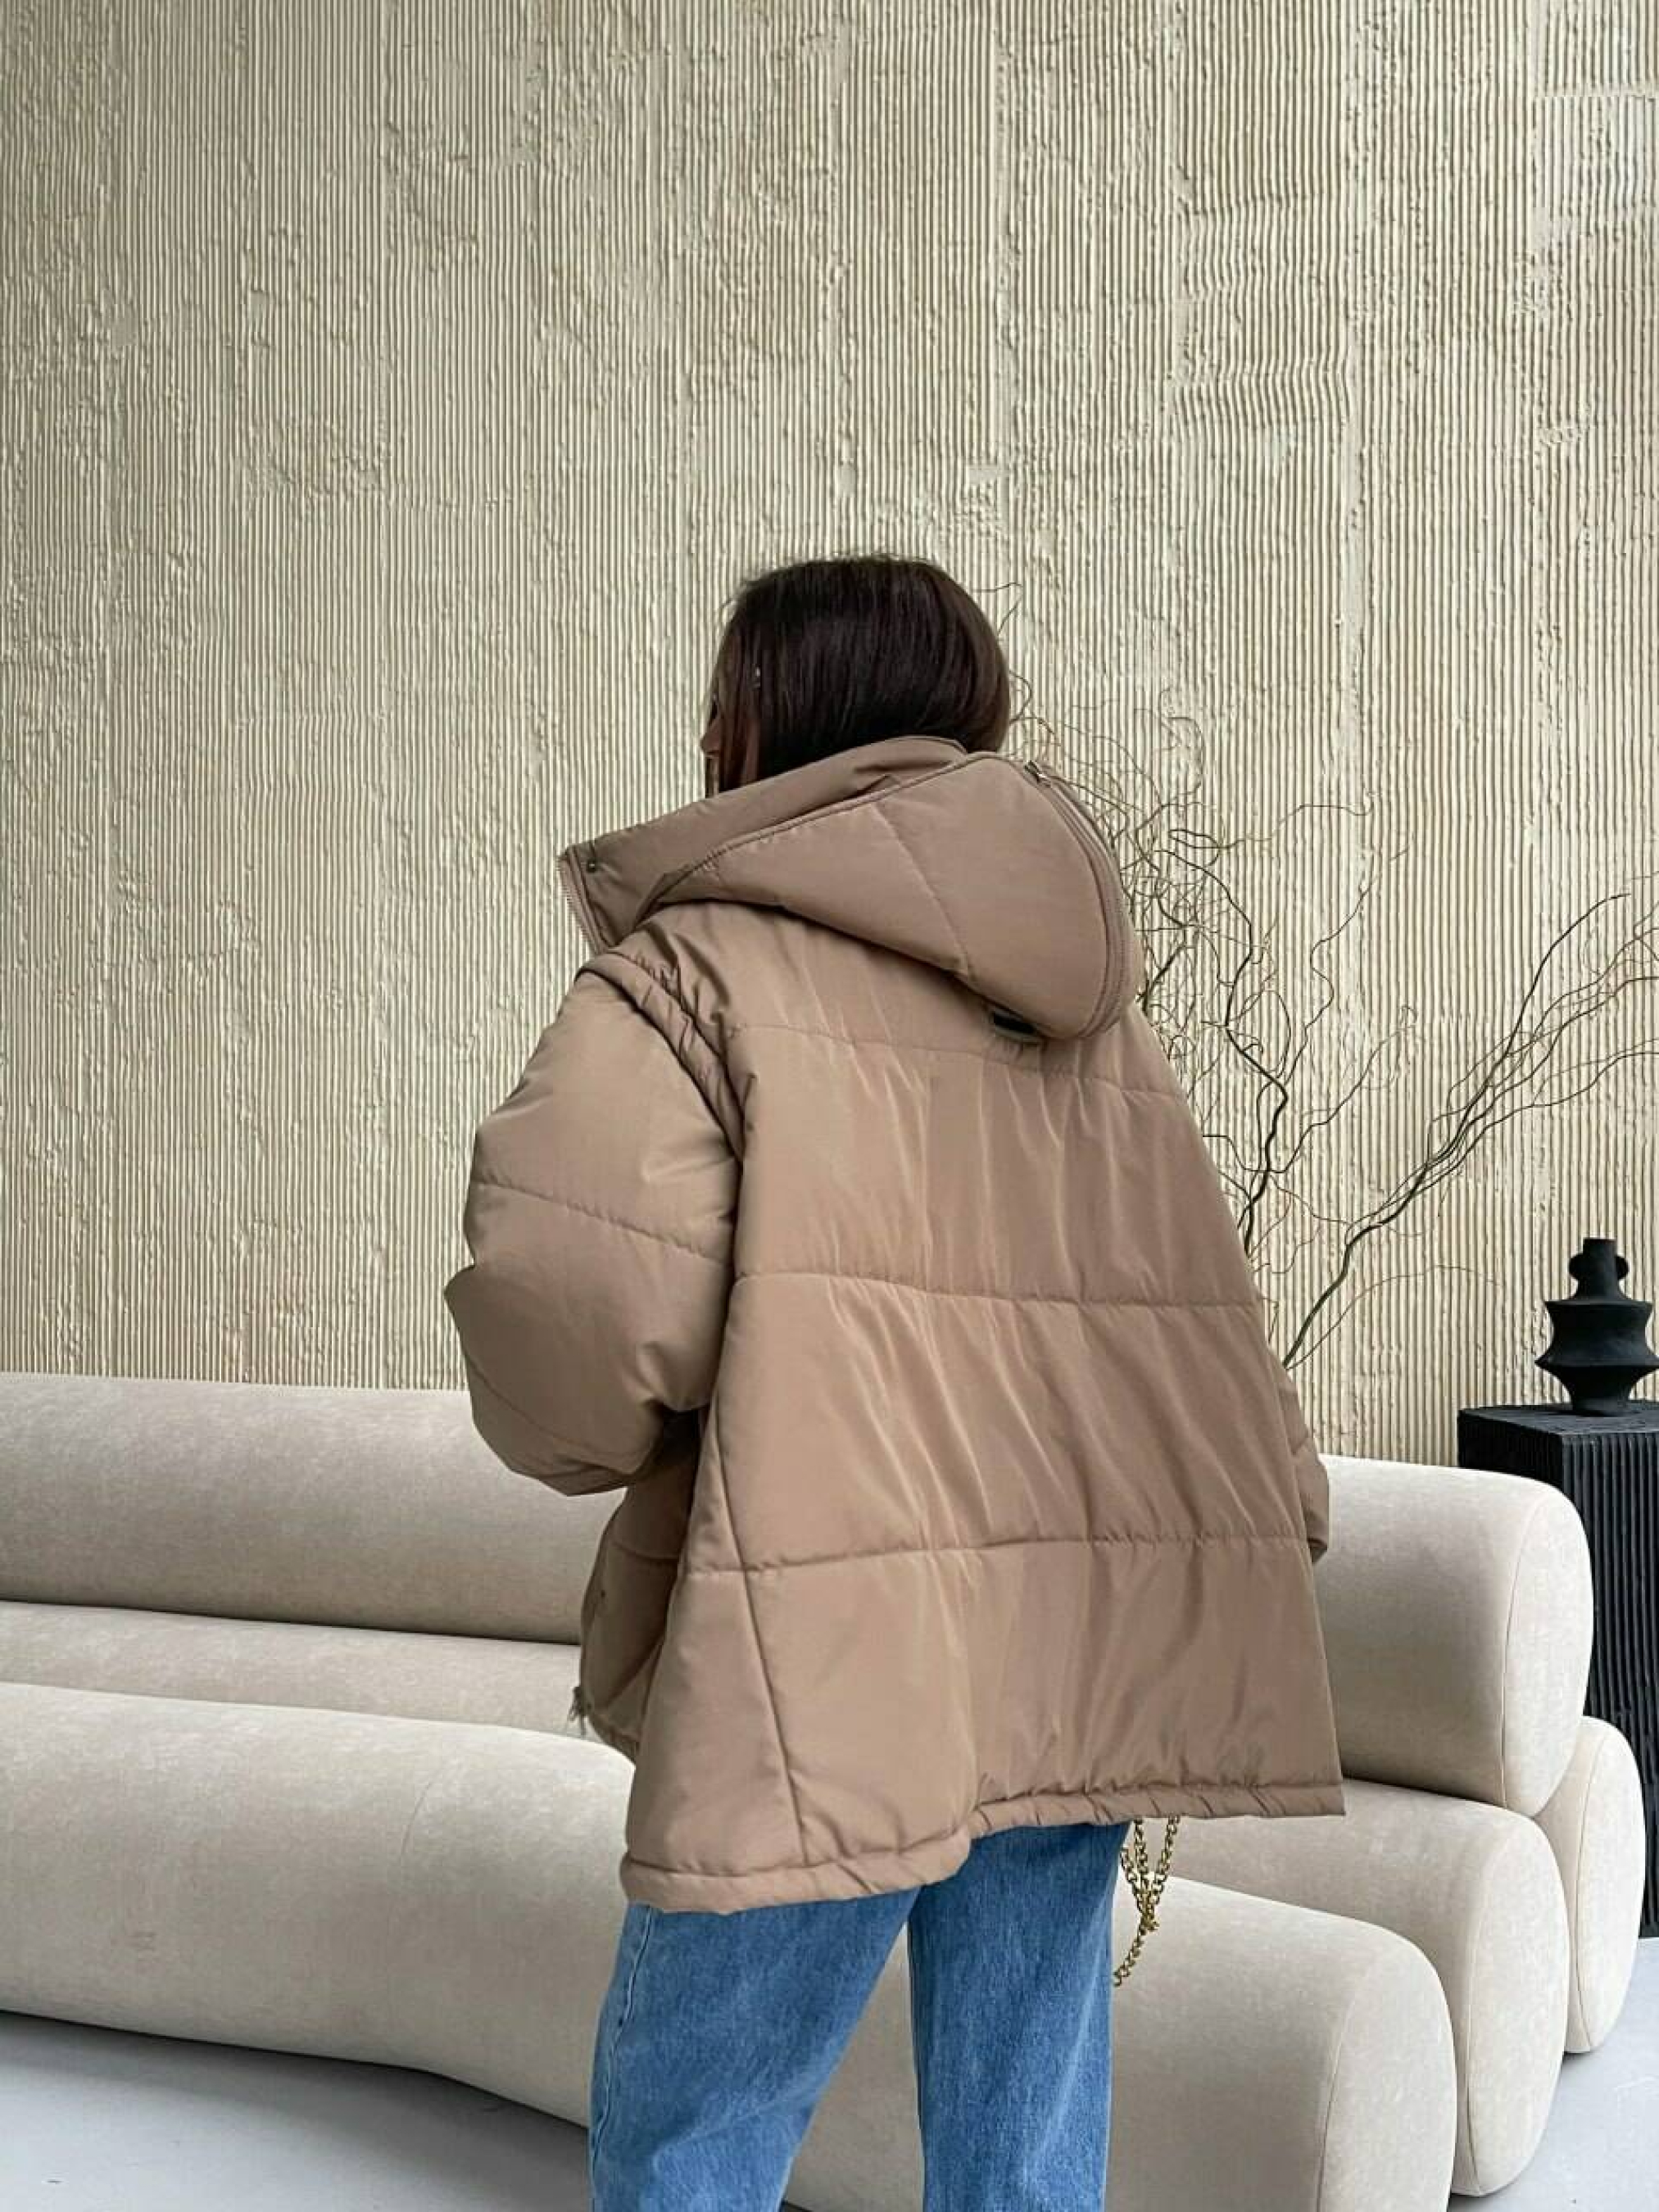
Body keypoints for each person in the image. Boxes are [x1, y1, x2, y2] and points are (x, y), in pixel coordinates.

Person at [442, 554, 1345, 2210]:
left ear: (767, 716)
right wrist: (1269, 1512)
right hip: (1073, 1625)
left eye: (722, 697)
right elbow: (1193, 1301)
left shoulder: (697, 970)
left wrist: (600, 1439)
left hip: (824, 1622)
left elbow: (568, 1294)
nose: (704, 730)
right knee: (1024, 2139)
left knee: (698, 2126)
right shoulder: (1077, 1004)